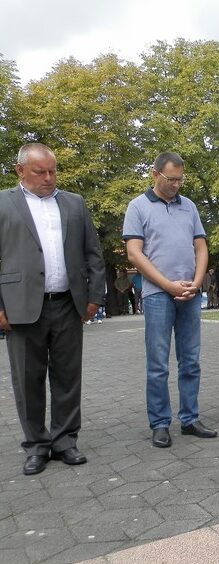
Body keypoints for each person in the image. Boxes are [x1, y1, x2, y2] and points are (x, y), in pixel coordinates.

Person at [0, 143, 105, 475]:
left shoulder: (74, 203)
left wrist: (94, 296)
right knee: (27, 380)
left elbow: (93, 253)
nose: (48, 178)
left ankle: (64, 441)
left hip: (67, 303)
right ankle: (36, 445)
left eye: (52, 171)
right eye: (40, 172)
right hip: (20, 307)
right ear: (20, 171)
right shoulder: (3, 203)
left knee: (68, 377)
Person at [123, 151, 217, 448]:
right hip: (157, 295)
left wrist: (197, 283)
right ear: (155, 174)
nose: (176, 184)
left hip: (189, 293)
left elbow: (200, 247)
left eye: (180, 179)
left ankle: (189, 419)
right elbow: (134, 253)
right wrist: (167, 285)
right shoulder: (137, 206)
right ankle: (160, 423)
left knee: (190, 361)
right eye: (171, 179)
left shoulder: (189, 206)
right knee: (158, 364)